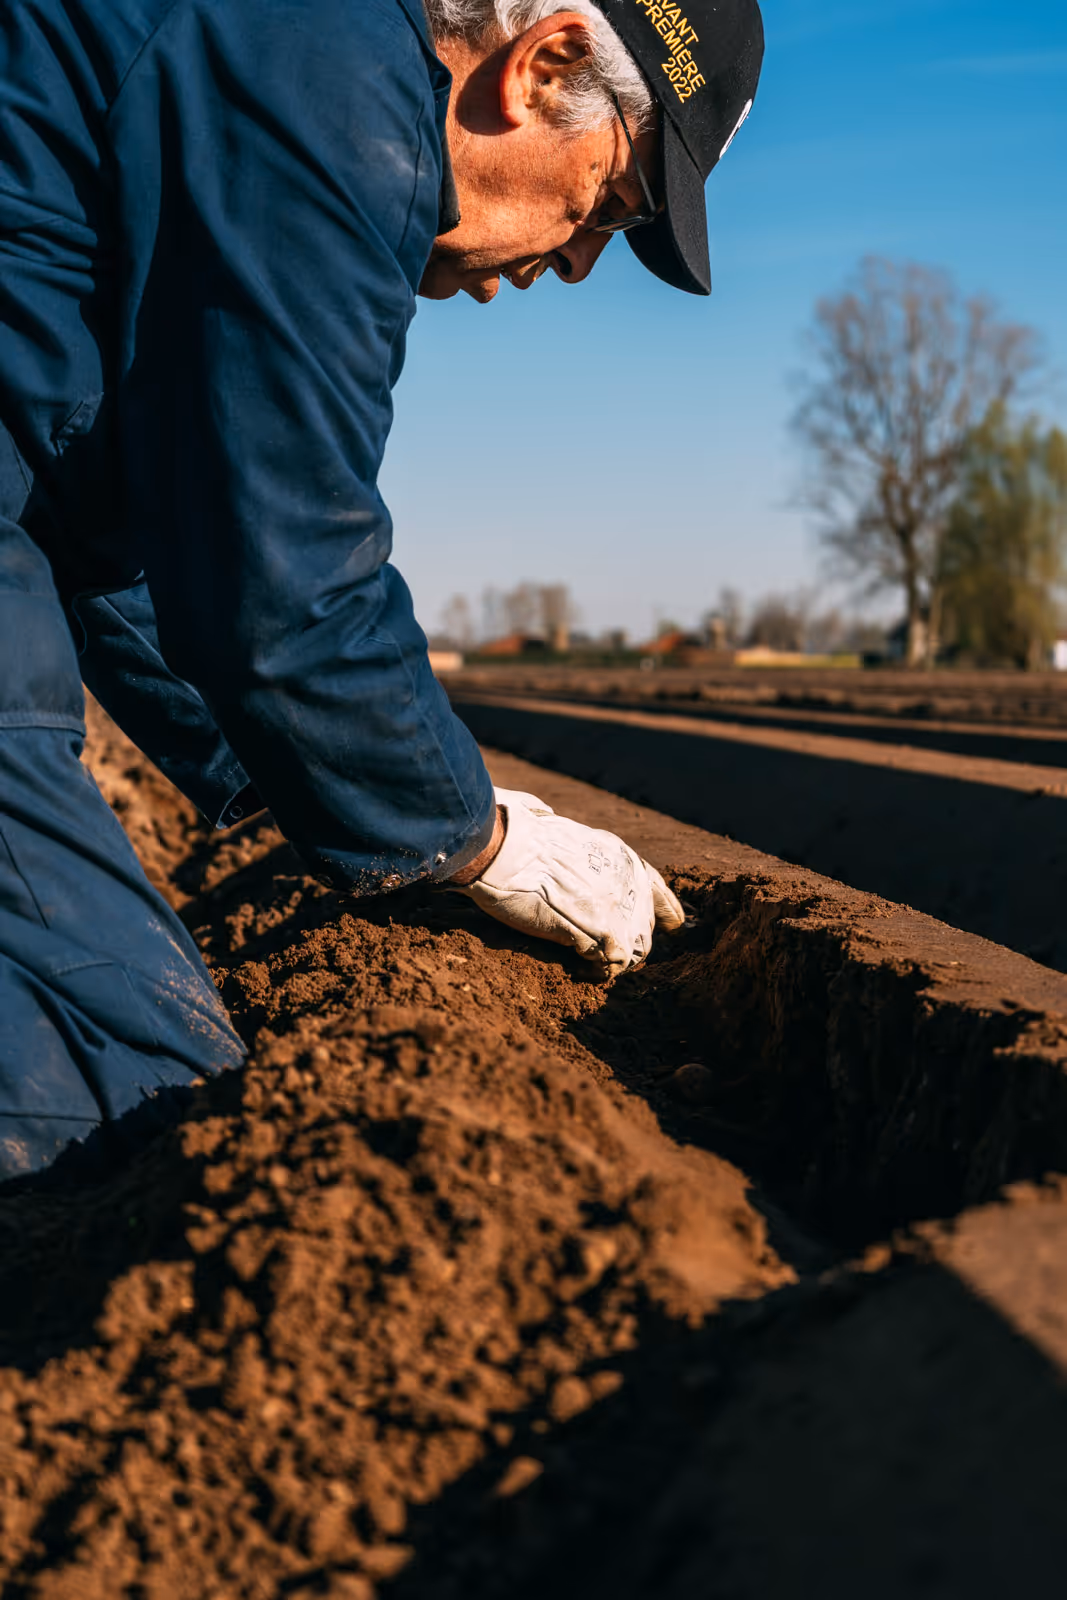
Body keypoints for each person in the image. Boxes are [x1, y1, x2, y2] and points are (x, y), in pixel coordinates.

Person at [0, 0, 764, 1179]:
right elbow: (285, 568)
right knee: (119, 1101)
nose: (571, 261)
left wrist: (290, 783)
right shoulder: (331, 82)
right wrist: (468, 836)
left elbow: (126, 534)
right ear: (541, 62)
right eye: (606, 204)